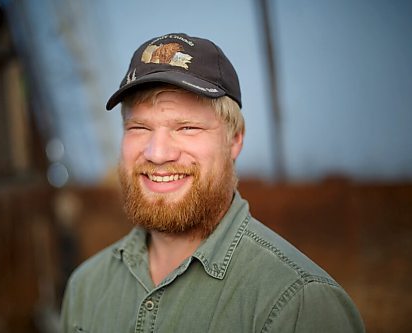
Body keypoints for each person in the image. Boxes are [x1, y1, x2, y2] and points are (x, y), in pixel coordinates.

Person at [61, 33, 365, 332]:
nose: (157, 153)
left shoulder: (299, 303)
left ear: (234, 141)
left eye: (187, 127)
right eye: (139, 127)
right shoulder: (86, 287)